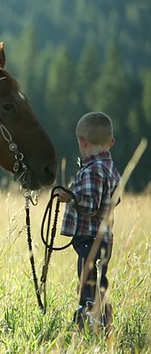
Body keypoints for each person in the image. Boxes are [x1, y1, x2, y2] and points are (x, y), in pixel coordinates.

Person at [57, 111, 121, 334]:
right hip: (104, 237)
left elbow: (91, 206)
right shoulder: (111, 169)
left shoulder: (92, 170)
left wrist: (71, 198)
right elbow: (116, 198)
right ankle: (103, 323)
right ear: (111, 142)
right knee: (98, 282)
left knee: (87, 284)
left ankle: (85, 324)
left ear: (82, 142)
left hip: (89, 239)